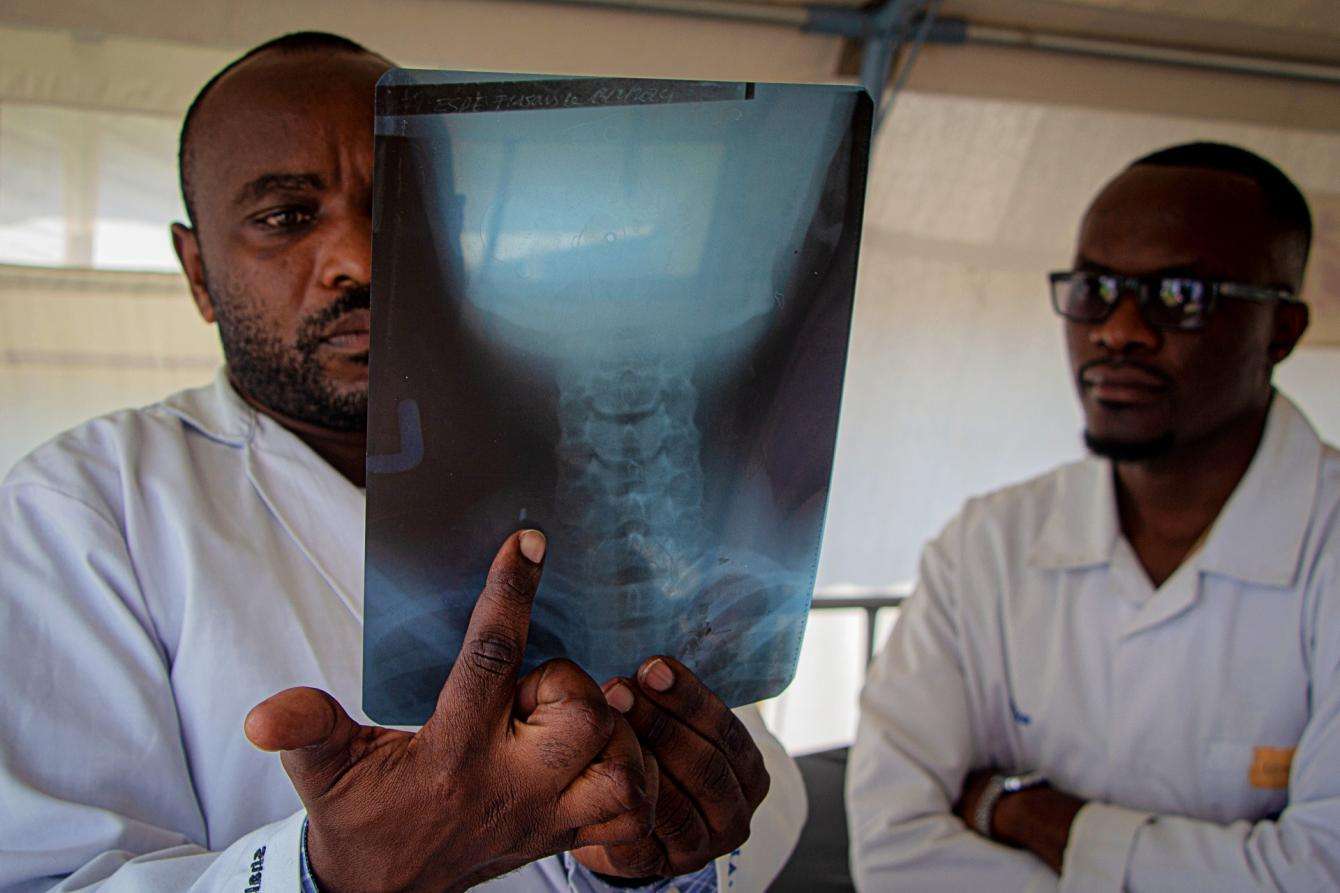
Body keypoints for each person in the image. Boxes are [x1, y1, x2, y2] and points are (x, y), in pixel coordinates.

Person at [0, 32, 804, 892]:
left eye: (400, 208)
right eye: (286, 217)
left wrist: (655, 850)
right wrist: (324, 877)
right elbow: (50, 875)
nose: (359, 260)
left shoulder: (565, 456)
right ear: (198, 272)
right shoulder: (83, 507)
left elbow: (752, 789)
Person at [847, 142, 1339, 890]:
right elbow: (892, 850)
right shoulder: (986, 548)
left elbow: (1322, 870)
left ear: (1283, 330)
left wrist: (1031, 815)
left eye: (1179, 294)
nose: (1119, 329)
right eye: (1093, 288)